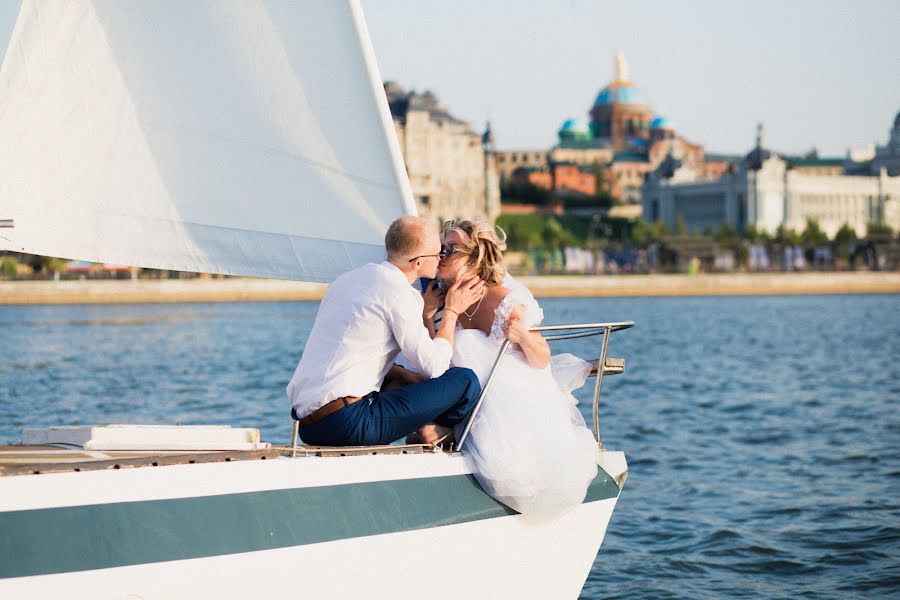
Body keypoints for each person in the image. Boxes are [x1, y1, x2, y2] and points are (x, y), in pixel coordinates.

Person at [437, 218, 598, 518]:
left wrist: (522, 336)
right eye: (441, 246)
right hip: (464, 395)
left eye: (451, 248)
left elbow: (542, 358)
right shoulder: (439, 297)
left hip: (506, 399)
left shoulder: (504, 300)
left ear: (474, 258)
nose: (442, 253)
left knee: (507, 464)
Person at [287, 216, 486, 447]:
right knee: (465, 381)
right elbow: (434, 367)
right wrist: (452, 310)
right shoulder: (400, 293)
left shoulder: (346, 280)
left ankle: (422, 424)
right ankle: (434, 429)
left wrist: (400, 373)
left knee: (403, 380)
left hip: (307, 426)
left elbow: (349, 351)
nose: (441, 257)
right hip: (348, 423)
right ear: (418, 262)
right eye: (439, 252)